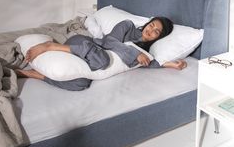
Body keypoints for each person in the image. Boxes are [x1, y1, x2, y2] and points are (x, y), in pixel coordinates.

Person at [16, 17, 187, 90]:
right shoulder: (127, 25)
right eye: (152, 25)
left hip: (89, 60)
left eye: (157, 31)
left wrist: (168, 64)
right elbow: (109, 42)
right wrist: (133, 52)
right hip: (83, 44)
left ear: (159, 37)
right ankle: (50, 46)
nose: (151, 30)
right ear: (147, 23)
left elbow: (146, 62)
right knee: (103, 59)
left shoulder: (144, 51)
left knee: (81, 84)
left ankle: (33, 74)